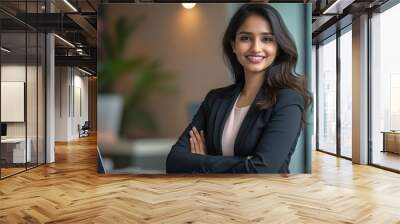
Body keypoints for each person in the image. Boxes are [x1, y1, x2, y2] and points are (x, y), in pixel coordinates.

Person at [166, 3, 311, 174]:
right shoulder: (215, 99)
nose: (256, 48)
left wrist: (202, 161)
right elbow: (174, 161)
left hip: (264, 198)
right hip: (212, 198)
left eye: (267, 39)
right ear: (233, 45)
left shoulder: (288, 99)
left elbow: (262, 170)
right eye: (245, 38)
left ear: (278, 47)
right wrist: (243, 162)